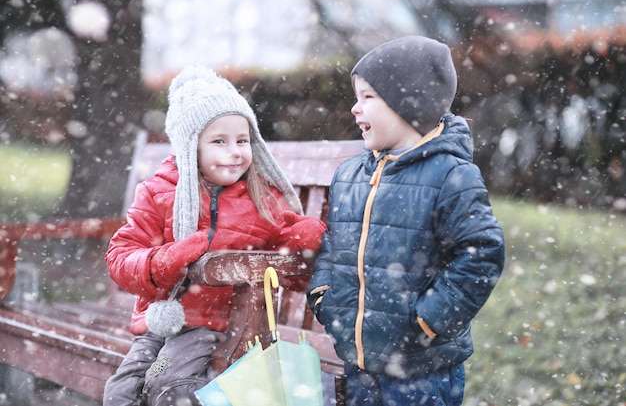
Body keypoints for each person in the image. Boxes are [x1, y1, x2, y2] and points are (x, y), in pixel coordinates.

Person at [103, 66, 326, 406]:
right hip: (157, 326)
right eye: (219, 141)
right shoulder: (158, 193)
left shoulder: (260, 199)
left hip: (218, 326)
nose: (235, 151)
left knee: (167, 385)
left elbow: (287, 261)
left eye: (242, 140)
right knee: (121, 391)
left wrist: (302, 239)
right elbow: (121, 256)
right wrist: (162, 262)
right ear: (191, 148)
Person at [307, 35, 505, 406]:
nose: (354, 108)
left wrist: (429, 321)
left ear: (407, 105)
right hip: (360, 363)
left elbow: (481, 254)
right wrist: (323, 296)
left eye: (368, 97)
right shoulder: (350, 174)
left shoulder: (450, 175)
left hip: (421, 369)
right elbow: (334, 245)